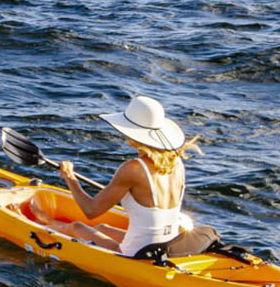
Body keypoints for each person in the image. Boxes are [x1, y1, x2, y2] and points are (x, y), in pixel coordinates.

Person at [51, 94, 224, 259]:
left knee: (76, 227)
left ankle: (44, 225)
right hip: (168, 246)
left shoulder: (132, 169)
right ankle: (48, 222)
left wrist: (69, 177)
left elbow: (91, 210)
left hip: (137, 253)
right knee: (101, 228)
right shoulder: (176, 162)